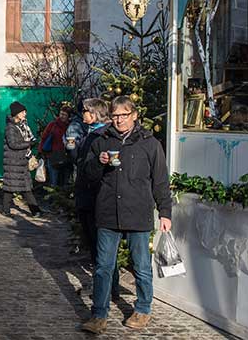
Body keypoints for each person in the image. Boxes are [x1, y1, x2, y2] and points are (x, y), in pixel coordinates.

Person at [80, 96, 172, 334]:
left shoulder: (150, 143)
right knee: (103, 267)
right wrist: (99, 163)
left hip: (138, 213)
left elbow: (160, 180)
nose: (119, 120)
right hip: (108, 212)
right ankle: (99, 314)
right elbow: (87, 174)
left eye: (124, 115)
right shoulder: (101, 140)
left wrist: (165, 211)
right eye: (115, 115)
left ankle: (142, 309)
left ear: (134, 115)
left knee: (141, 266)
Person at [1, 101, 41, 218]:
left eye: (25, 112)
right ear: (16, 113)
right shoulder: (10, 127)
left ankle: (34, 210)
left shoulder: (22, 125)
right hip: (13, 161)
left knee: (23, 187)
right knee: (12, 188)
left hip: (20, 160)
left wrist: (30, 143)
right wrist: (29, 144)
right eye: (23, 112)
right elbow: (13, 144)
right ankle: (7, 210)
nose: (25, 114)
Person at [40, 105, 72, 187]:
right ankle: (53, 196)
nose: (62, 116)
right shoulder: (52, 125)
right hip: (53, 155)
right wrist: (42, 151)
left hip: (66, 156)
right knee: (53, 181)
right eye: (61, 114)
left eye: (64, 114)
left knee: (65, 181)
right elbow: (44, 137)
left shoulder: (71, 126)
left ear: (68, 116)